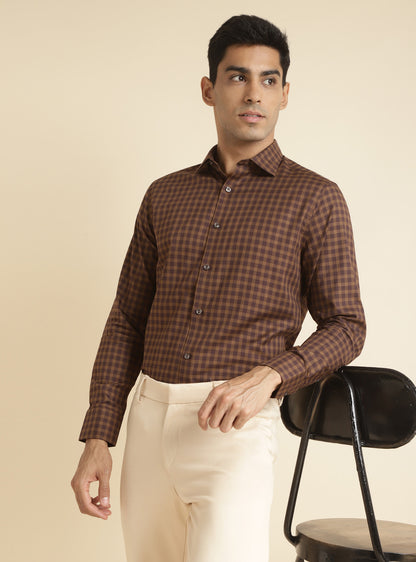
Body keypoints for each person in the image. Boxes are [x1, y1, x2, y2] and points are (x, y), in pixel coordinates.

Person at [71, 14, 366, 562]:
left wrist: (271, 376)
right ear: (209, 89)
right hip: (148, 421)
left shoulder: (315, 198)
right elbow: (126, 320)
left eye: (269, 80)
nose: (253, 93)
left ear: (284, 95)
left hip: (235, 428)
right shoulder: (165, 195)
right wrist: (98, 437)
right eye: (237, 77)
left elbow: (347, 326)